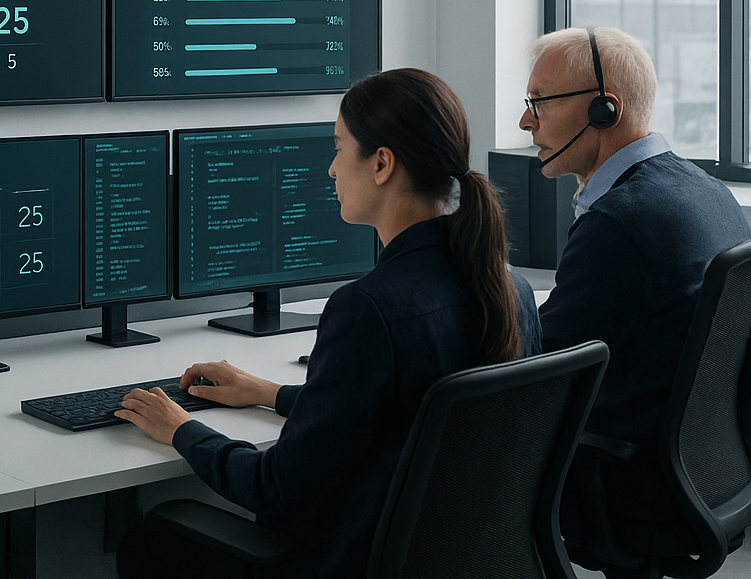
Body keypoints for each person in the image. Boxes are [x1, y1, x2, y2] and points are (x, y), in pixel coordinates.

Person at [115, 68, 541, 579]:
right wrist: (269, 392)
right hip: (466, 561)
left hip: (341, 563)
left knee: (153, 536)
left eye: (339, 148)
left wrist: (183, 430)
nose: (332, 170)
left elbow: (277, 488)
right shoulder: (508, 289)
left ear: (382, 163)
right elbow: (403, 416)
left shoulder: (367, 309)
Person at [522, 27, 750, 577]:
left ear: (605, 109)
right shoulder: (705, 189)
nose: (525, 123)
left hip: (628, 485)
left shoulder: (619, 223)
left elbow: (535, 373)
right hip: (708, 472)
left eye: (538, 103)